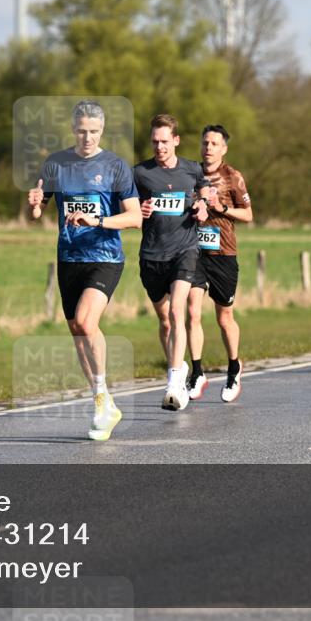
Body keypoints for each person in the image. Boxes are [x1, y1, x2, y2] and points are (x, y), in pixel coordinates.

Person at [27, 100, 142, 439]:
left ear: (101, 130)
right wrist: (34, 205)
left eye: (93, 131)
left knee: (86, 321)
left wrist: (99, 220)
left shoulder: (116, 166)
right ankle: (102, 403)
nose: (87, 137)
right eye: (81, 131)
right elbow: (38, 210)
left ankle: (104, 394)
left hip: (105, 256)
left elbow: (134, 217)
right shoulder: (56, 164)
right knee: (78, 332)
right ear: (73, 129)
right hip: (68, 257)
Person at [133, 114, 209, 411]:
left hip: (185, 250)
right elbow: (123, 205)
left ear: (176, 140)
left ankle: (174, 381)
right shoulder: (140, 173)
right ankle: (178, 368)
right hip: (152, 255)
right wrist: (139, 208)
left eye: (165, 141)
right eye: (155, 141)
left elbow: (204, 188)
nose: (160, 147)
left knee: (179, 311)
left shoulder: (191, 169)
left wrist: (202, 203)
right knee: (165, 320)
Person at [186, 124, 253, 402]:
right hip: (193, 252)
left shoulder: (232, 176)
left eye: (214, 143)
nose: (208, 147)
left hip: (223, 253)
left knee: (224, 318)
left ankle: (234, 366)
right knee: (191, 311)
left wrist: (222, 209)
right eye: (205, 143)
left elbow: (248, 214)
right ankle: (197, 371)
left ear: (224, 148)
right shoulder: (190, 172)